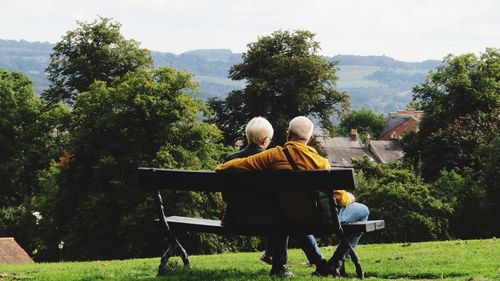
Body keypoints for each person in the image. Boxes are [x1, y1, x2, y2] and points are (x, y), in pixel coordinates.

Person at [216, 116, 369, 277]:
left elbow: (238, 164)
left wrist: (221, 166)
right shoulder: (319, 162)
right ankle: (336, 261)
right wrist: (350, 198)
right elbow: (338, 197)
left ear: (289, 133)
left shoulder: (273, 155)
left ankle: (323, 264)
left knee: (300, 214)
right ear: (310, 138)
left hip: (291, 217)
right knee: (363, 211)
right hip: (322, 219)